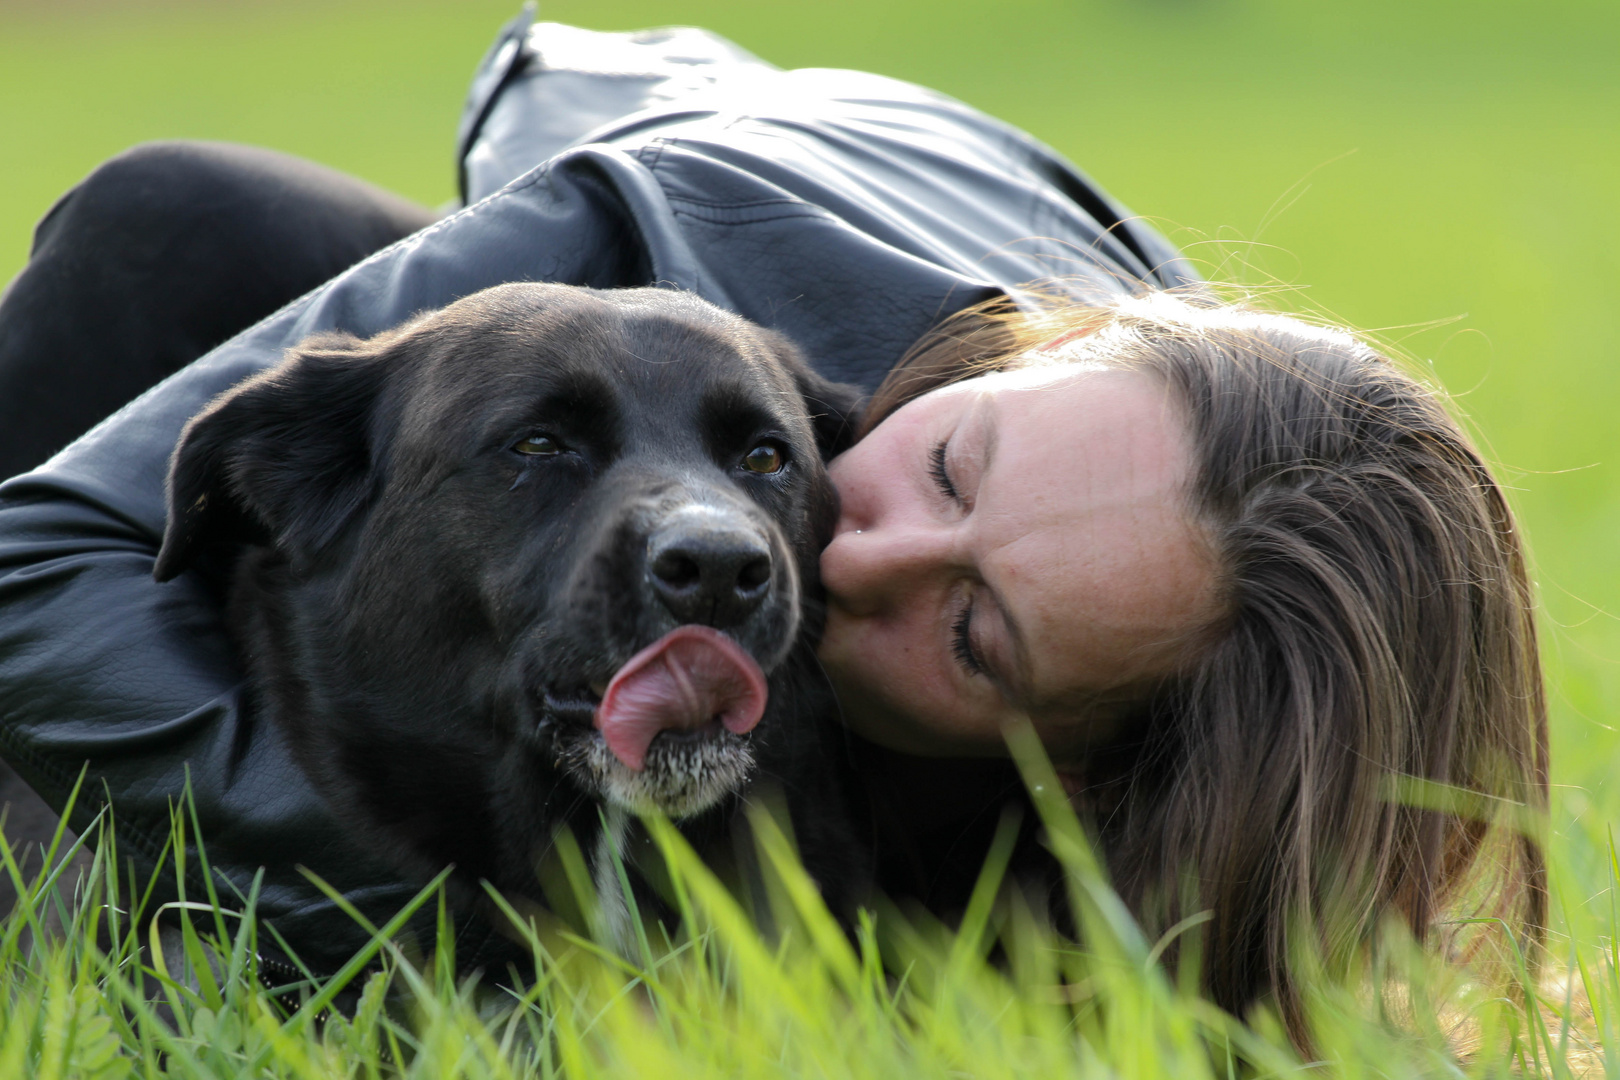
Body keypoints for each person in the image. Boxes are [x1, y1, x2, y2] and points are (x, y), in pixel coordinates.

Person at [0, 10, 1544, 1030]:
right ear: (1044, 359)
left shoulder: (1172, 653)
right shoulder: (662, 250)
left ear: (1080, 768)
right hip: (708, 224)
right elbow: (33, 565)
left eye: (971, 631)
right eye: (949, 473)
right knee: (188, 227)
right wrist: (494, 951)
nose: (837, 556)